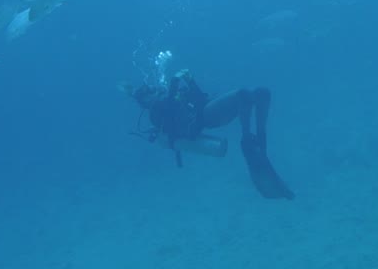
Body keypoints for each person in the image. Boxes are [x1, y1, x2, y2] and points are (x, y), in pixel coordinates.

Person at [124, 68, 294, 200]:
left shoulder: (169, 97)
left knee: (262, 92)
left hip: (207, 109)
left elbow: (199, 98)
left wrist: (191, 81)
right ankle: (247, 139)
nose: (155, 91)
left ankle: (261, 147)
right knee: (243, 94)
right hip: (204, 119)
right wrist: (174, 83)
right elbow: (170, 111)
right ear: (145, 101)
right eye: (149, 93)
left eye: (152, 89)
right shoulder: (156, 113)